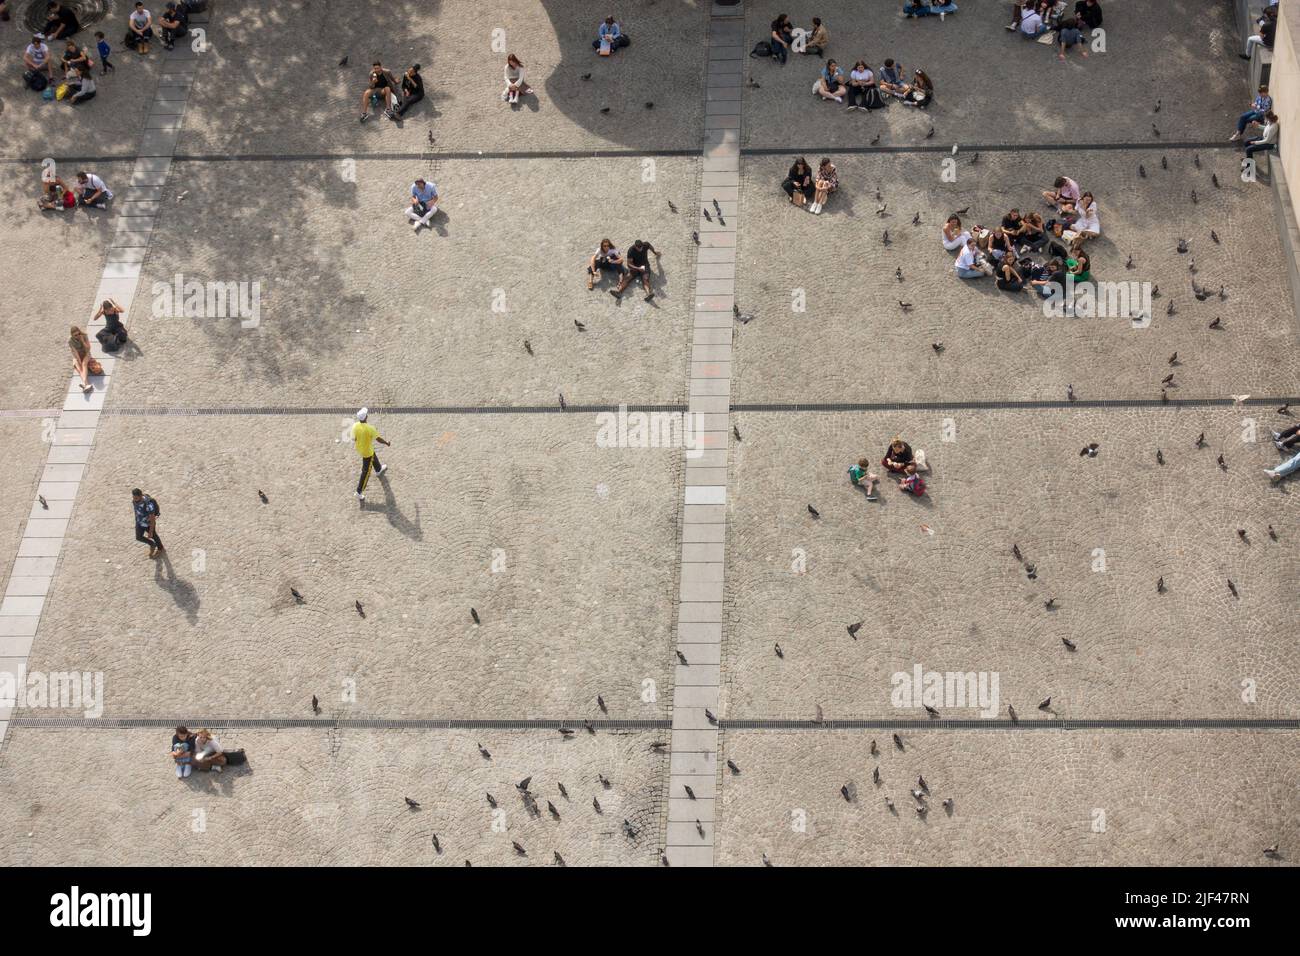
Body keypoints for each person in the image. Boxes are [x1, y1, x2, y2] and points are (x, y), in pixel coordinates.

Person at [350, 408, 390, 502]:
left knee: (373, 456)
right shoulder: (370, 428)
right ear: (366, 417)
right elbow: (378, 439)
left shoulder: (355, 426)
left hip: (361, 449)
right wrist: (386, 443)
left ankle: (378, 469)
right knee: (366, 472)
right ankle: (359, 491)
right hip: (367, 453)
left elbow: (353, 439)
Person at [132, 488, 164, 558]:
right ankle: (152, 544)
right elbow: (136, 510)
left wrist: (150, 532)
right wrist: (136, 520)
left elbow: (152, 519)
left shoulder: (148, 505)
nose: (134, 499)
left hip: (148, 524)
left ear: (140, 496)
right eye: (133, 497)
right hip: (139, 522)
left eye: (136, 498)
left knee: (154, 536)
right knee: (138, 537)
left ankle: (160, 548)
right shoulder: (134, 501)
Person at [69, 326, 95, 394]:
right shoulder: (70, 340)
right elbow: (75, 351)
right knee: (78, 367)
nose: (77, 336)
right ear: (72, 335)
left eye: (78, 334)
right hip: (78, 355)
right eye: (75, 335)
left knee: (84, 364)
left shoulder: (84, 336)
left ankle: (84, 383)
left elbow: (88, 348)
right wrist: (78, 360)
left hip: (86, 353)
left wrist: (83, 341)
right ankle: (86, 384)